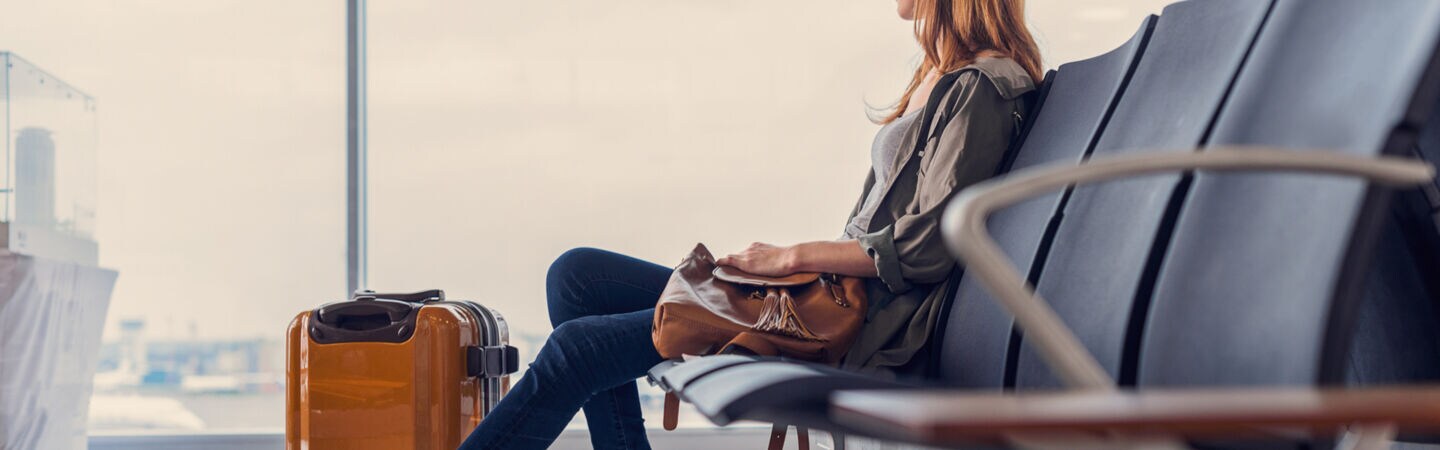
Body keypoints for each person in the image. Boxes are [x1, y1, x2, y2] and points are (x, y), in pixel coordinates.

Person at [459, 0, 1041, 448]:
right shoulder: (940, 77)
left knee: (575, 350)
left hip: (856, 326)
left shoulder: (983, 89)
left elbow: (928, 247)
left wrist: (791, 260)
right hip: (821, 299)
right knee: (576, 277)